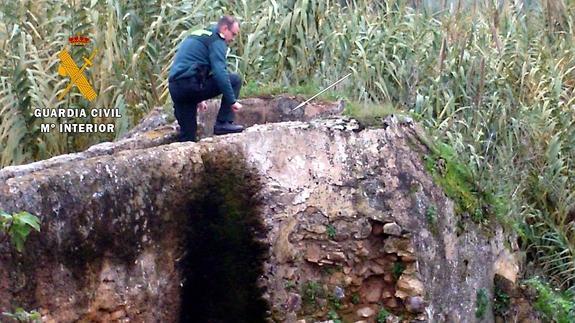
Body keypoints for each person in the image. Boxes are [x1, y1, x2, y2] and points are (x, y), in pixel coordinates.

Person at [168, 15, 244, 142]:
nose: (232, 39)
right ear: (224, 29)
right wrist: (232, 101)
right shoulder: (217, 40)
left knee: (188, 138)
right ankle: (223, 123)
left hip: (177, 88)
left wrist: (199, 97)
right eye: (233, 34)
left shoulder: (199, 35)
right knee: (235, 80)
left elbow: (191, 64)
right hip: (191, 86)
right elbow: (220, 72)